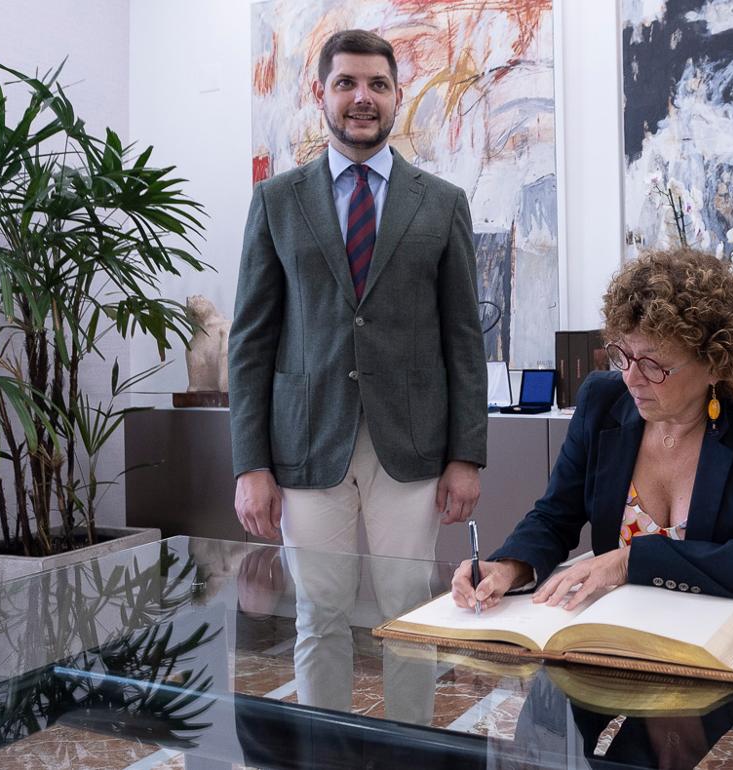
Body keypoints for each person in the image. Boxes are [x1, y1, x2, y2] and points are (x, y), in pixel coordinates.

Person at [229, 28, 487, 716]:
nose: (361, 98)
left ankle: (410, 752)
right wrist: (249, 464)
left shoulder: (442, 202)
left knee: (409, 611)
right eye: (346, 83)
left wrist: (467, 454)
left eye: (376, 84)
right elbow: (251, 341)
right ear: (321, 94)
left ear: (397, 95)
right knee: (319, 613)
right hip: (305, 444)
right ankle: (324, 749)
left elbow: (464, 339)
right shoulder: (277, 201)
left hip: (412, 445)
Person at [451, 247, 733, 617]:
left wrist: (628, 561)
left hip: (719, 640)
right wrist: (510, 567)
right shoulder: (601, 401)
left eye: (654, 365)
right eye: (623, 355)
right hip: (618, 634)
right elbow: (555, 517)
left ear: (716, 364)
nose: (631, 379)